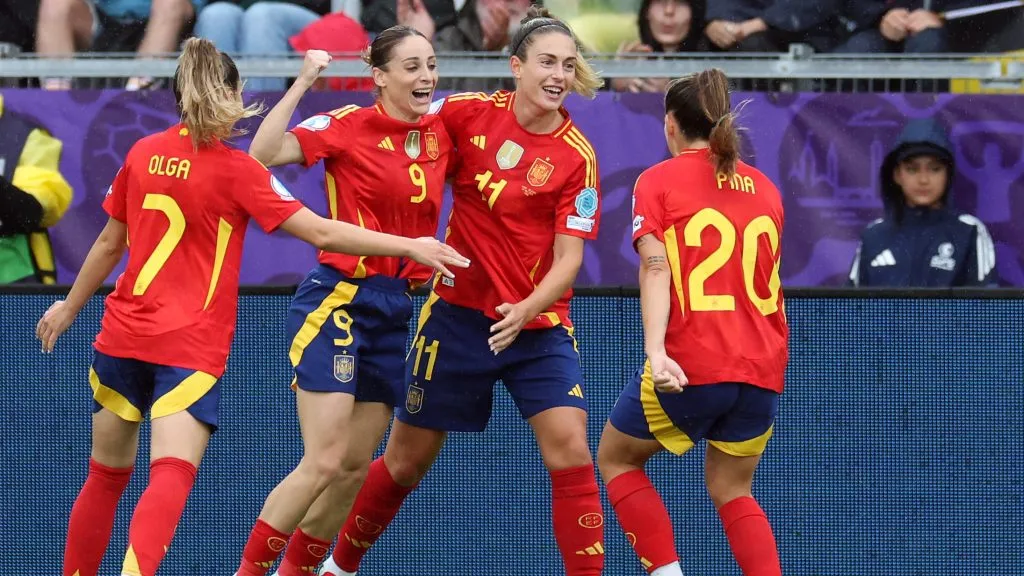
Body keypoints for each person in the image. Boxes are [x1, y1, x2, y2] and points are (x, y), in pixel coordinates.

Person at [37, 37, 467, 576]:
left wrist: (68, 308)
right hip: (188, 344)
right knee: (172, 471)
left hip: (121, 332)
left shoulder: (143, 152)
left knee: (105, 474)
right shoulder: (238, 170)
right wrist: (409, 246)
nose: (426, 74)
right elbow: (319, 229)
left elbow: (106, 244)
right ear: (235, 95)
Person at [316, 7, 607, 576]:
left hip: (536, 327)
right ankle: (338, 567)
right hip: (454, 319)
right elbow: (401, 132)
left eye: (568, 66)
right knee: (404, 463)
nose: (558, 75)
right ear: (515, 66)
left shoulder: (578, 157)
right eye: (547, 62)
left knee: (571, 448)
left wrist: (527, 308)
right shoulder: (467, 114)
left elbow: (569, 260)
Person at [234, 26, 455, 576]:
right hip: (339, 300)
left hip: (396, 306)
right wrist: (305, 79)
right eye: (410, 67)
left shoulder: (442, 130)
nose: (425, 77)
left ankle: (297, 571)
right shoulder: (346, 126)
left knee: (355, 468)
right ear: (379, 77)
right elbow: (259, 155)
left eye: (430, 65)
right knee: (325, 460)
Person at [597, 69, 787, 576]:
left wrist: (656, 351)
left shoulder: (657, 180)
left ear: (670, 126)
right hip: (761, 370)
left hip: (694, 361)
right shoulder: (767, 189)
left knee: (616, 458)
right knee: (732, 489)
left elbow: (655, 266)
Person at [848, 117, 995, 287]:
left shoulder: (969, 232)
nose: (923, 180)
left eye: (935, 169)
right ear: (897, 175)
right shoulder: (874, 235)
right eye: (912, 169)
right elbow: (850, 307)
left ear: (948, 175)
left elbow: (986, 307)